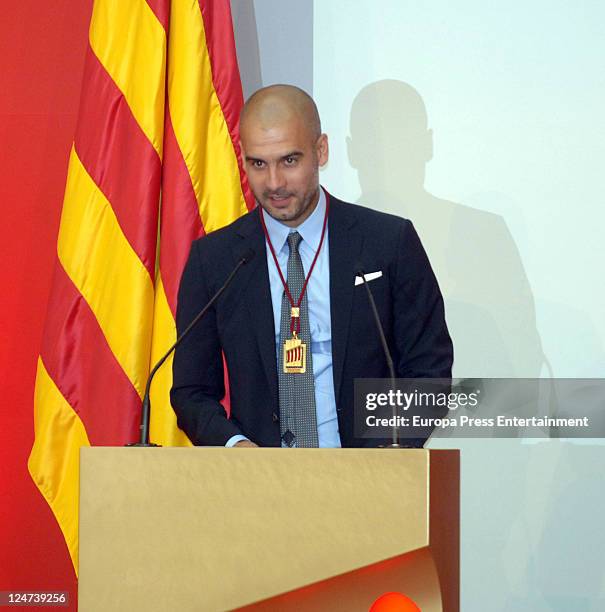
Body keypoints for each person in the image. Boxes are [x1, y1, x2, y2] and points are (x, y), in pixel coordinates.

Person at [170, 84, 453, 448]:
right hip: (259, 487)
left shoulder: (388, 243)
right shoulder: (216, 260)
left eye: (289, 161)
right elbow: (191, 392)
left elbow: (429, 371)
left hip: (370, 481)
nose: (274, 183)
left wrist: (386, 452)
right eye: (259, 163)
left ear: (321, 151)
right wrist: (235, 446)